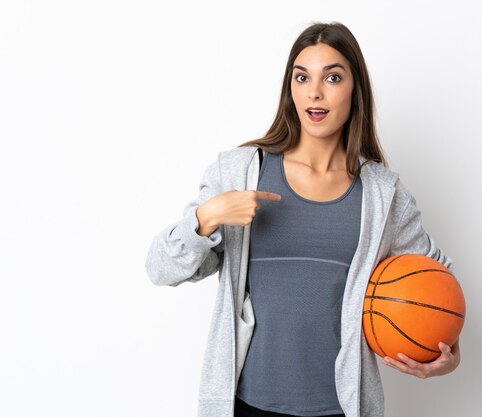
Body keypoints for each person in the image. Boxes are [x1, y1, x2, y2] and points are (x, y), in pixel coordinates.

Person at [145, 21, 461, 417]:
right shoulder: (241, 171)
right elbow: (160, 268)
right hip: (247, 405)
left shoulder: (382, 194)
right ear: (290, 89)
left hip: (340, 409)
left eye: (332, 77)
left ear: (354, 89)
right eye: (302, 77)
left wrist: (448, 350)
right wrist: (209, 216)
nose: (315, 92)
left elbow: (438, 279)